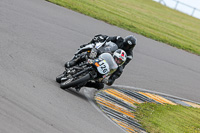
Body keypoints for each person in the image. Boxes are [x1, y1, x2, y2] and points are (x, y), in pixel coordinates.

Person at [65, 34, 137, 86]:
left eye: (129, 47)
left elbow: (121, 66)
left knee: (100, 85)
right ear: (124, 41)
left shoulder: (129, 55)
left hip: (110, 63)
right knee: (93, 51)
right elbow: (108, 39)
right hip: (105, 53)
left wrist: (111, 80)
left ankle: (83, 82)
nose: (126, 47)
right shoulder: (119, 39)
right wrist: (102, 38)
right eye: (125, 45)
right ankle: (74, 61)